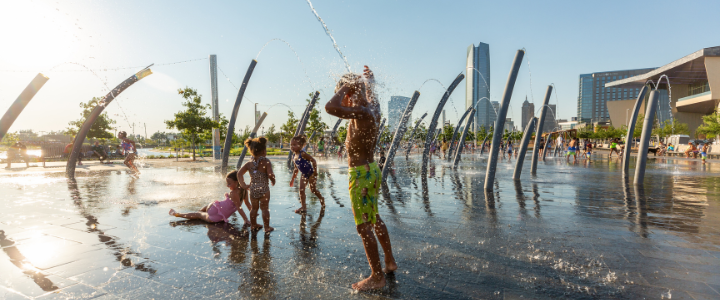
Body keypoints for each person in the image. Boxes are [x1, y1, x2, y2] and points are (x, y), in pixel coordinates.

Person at [325, 66, 397, 291]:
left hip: (361, 176)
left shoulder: (361, 112)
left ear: (348, 93)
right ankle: (389, 261)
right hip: (371, 170)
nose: (343, 99)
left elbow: (330, 107)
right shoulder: (371, 108)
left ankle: (377, 277)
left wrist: (348, 84)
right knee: (374, 217)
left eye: (344, 94)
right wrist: (369, 82)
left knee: (364, 226)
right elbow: (370, 96)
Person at [169, 170, 252, 226]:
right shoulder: (244, 191)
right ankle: (194, 214)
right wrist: (253, 213)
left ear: (237, 182)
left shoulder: (233, 193)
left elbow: (239, 207)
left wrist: (246, 219)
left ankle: (177, 214)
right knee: (202, 211)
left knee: (199, 214)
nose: (227, 185)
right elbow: (247, 203)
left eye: (229, 184)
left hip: (215, 216)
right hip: (219, 215)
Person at [238, 137, 275, 233]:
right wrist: (273, 180)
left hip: (253, 189)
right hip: (264, 190)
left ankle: (253, 225)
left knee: (254, 208)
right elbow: (270, 174)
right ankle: (266, 227)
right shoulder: (266, 161)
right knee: (265, 208)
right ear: (264, 151)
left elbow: (239, 173)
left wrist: (243, 185)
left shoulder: (249, 163)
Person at [290, 135, 325, 214]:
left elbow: (313, 160)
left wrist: (315, 172)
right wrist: (292, 179)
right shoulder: (293, 156)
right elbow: (296, 169)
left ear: (301, 146)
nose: (292, 146)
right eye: (291, 145)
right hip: (304, 175)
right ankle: (303, 207)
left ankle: (321, 198)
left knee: (313, 190)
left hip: (311, 174)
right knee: (301, 190)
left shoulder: (302, 154)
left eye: (294, 145)